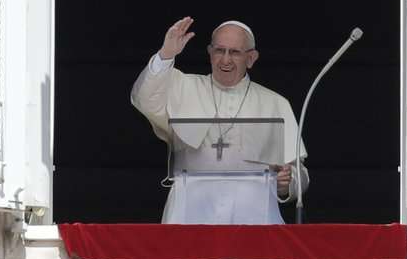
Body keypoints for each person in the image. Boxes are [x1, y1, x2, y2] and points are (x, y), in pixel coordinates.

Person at [131, 17, 308, 224]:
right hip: (189, 214)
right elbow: (143, 98)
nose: (225, 60)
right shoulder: (182, 87)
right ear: (209, 53)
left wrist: (287, 184)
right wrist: (166, 55)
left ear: (251, 58)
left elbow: (300, 174)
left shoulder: (275, 103)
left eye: (234, 52)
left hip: (253, 217)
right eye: (219, 51)